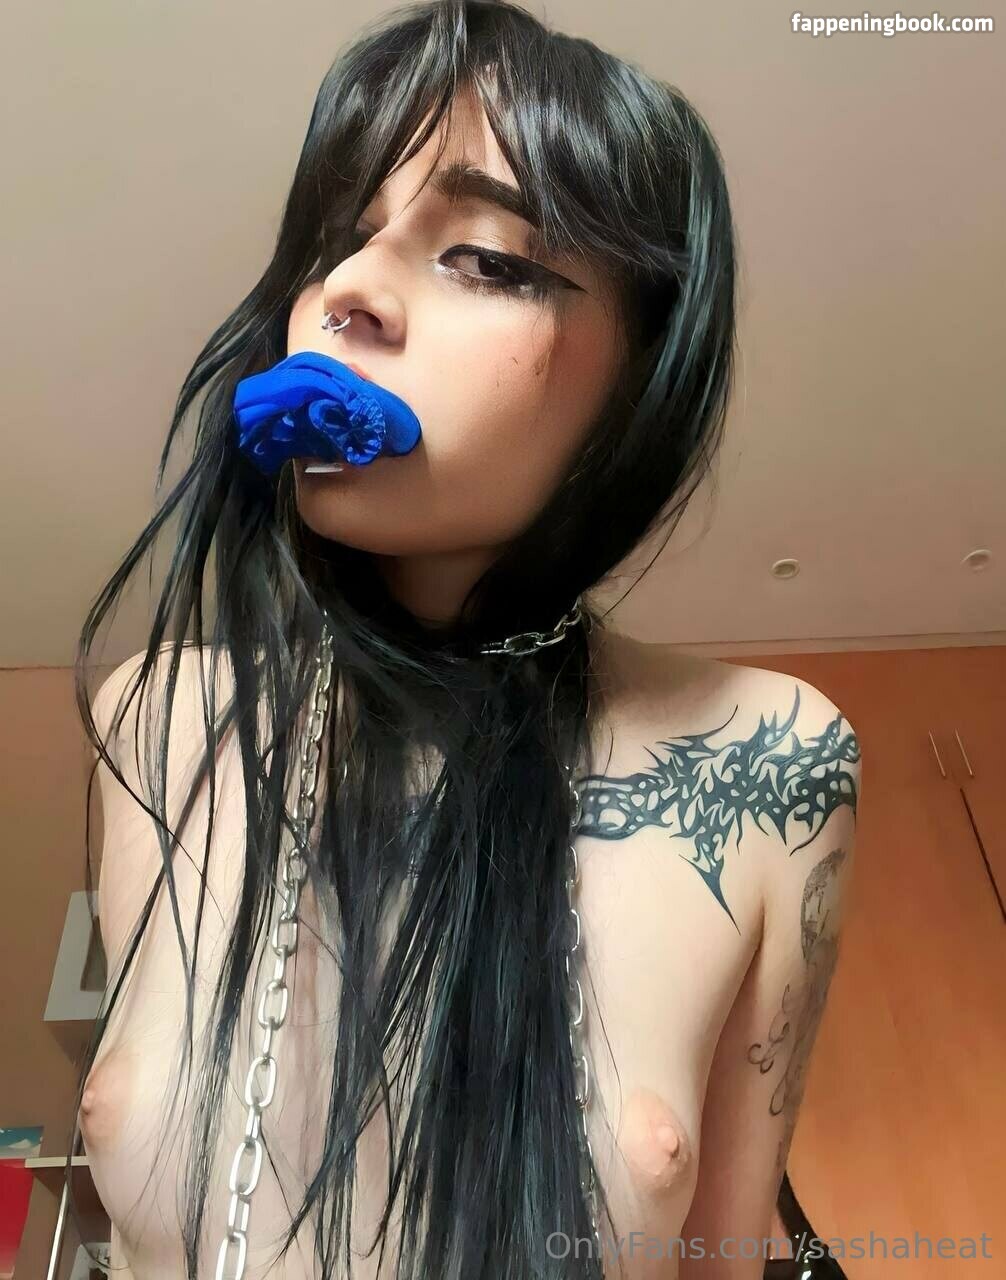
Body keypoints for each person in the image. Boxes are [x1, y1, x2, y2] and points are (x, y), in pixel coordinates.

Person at [68, 2, 861, 1278]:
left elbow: (722, 1250)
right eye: (338, 239)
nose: (343, 293)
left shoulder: (772, 756)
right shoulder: (154, 717)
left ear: (642, 374)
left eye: (484, 257)